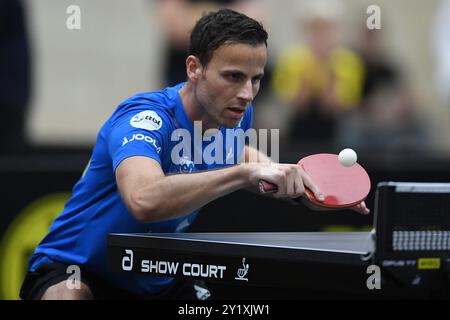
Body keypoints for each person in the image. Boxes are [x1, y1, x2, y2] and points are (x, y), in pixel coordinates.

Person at [20, 9, 369, 300]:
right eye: (233, 76)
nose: (247, 93)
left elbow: (234, 153)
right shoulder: (145, 119)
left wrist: (294, 182)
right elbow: (144, 200)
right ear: (193, 68)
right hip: (81, 269)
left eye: (256, 79)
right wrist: (243, 175)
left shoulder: (233, 112)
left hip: (155, 277)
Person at [271, 0, 364, 151]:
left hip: (336, 133)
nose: (322, 35)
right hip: (298, 132)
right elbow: (297, 104)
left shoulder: (348, 61)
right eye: (316, 28)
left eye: (327, 28)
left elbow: (333, 107)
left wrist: (329, 67)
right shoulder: (291, 58)